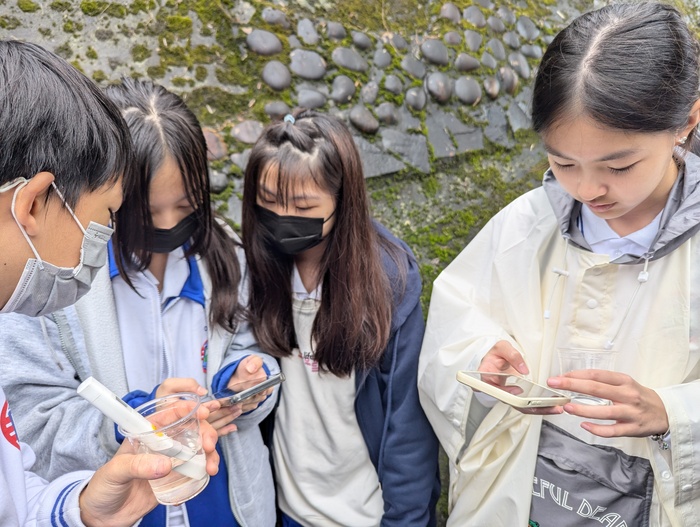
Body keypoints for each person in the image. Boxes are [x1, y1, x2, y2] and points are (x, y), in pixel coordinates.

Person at [418, 3, 700, 526]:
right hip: (523, 494)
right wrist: (483, 361)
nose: (589, 189)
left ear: (685, 121)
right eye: (562, 162)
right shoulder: (524, 226)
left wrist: (674, 415)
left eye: (619, 165)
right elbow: (454, 328)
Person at [0, 78, 278, 527]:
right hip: (115, 505)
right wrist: (129, 421)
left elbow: (252, 349)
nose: (168, 226)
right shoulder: (46, 279)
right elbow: (34, 420)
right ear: (108, 198)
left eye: (186, 207)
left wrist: (242, 384)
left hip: (226, 499)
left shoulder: (228, 258)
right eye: (146, 213)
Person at [241, 109, 440, 526]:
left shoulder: (389, 284)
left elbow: (408, 428)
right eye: (270, 203)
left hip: (364, 515)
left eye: (303, 206)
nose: (283, 218)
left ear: (343, 199)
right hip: (283, 509)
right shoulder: (255, 269)